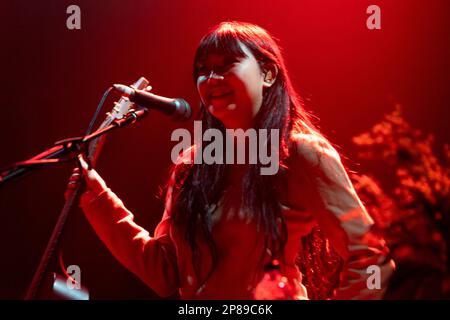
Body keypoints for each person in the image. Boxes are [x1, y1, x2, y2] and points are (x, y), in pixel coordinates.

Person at [70, 21, 395, 299]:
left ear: (268, 73)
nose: (210, 78)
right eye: (202, 70)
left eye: (226, 65)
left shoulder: (300, 154)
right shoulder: (191, 164)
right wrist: (97, 199)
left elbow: (369, 258)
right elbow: (165, 272)